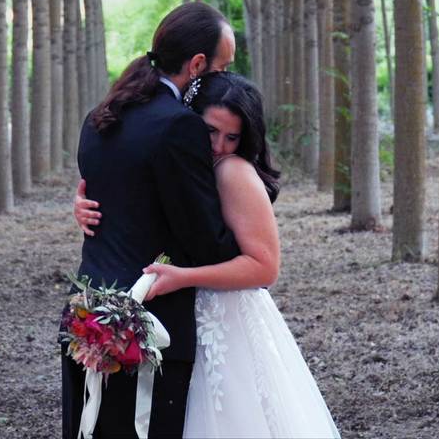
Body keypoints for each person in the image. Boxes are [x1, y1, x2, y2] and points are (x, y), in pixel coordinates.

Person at [75, 72, 340, 438]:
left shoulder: (232, 170)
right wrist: (83, 205)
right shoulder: (180, 160)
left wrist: (185, 277)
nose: (218, 145)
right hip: (190, 318)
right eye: (210, 131)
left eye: (231, 137)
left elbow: (265, 267)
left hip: (226, 320)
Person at [63, 1, 242, 439]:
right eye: (224, 68)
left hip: (85, 317)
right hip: (147, 327)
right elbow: (205, 240)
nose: (229, 79)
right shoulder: (178, 127)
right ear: (198, 65)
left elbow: (119, 199)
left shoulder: (100, 116)